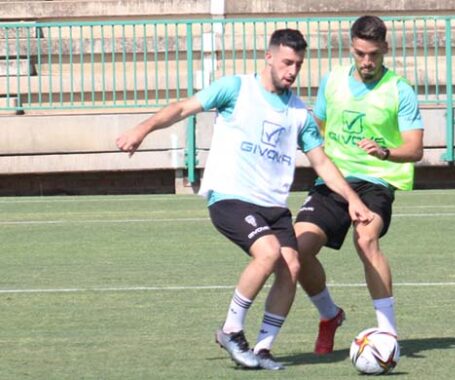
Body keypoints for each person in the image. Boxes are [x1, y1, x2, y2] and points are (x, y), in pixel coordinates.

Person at [115, 29, 374, 370]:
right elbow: (181, 108)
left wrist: (353, 198)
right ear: (268, 57)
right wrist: (142, 129)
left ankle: (263, 349)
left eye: (297, 64)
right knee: (267, 254)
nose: (292, 71)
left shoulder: (298, 112)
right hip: (231, 197)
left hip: (274, 206)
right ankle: (232, 330)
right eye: (286, 62)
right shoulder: (235, 88)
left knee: (291, 267)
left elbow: (321, 161)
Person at [293, 15, 424, 355]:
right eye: (360, 54)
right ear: (351, 48)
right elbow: (317, 128)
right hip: (333, 180)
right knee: (296, 249)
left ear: (385, 50)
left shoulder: (400, 90)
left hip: (376, 182)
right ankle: (329, 315)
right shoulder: (332, 81)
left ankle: (388, 333)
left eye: (374, 55)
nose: (367, 62)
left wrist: (384, 152)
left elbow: (415, 149)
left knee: (366, 240)